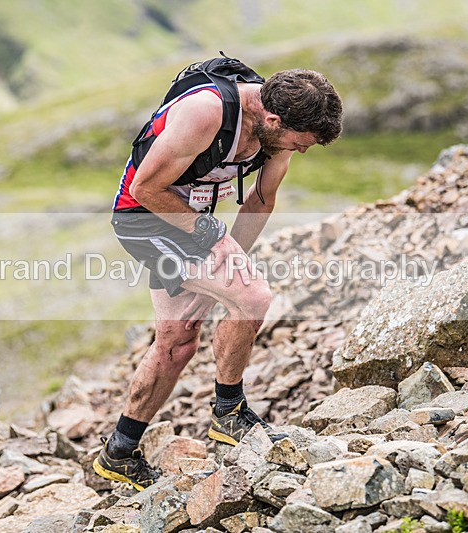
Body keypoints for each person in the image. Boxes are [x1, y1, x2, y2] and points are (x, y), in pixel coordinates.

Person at [94, 55, 343, 490]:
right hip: (145, 217)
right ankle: (229, 413)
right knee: (254, 297)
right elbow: (146, 189)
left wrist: (226, 269)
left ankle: (119, 452)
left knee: (177, 343)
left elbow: (261, 199)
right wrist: (215, 242)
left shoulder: (276, 130)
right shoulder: (206, 112)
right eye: (299, 142)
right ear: (271, 117)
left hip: (191, 223)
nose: (300, 150)